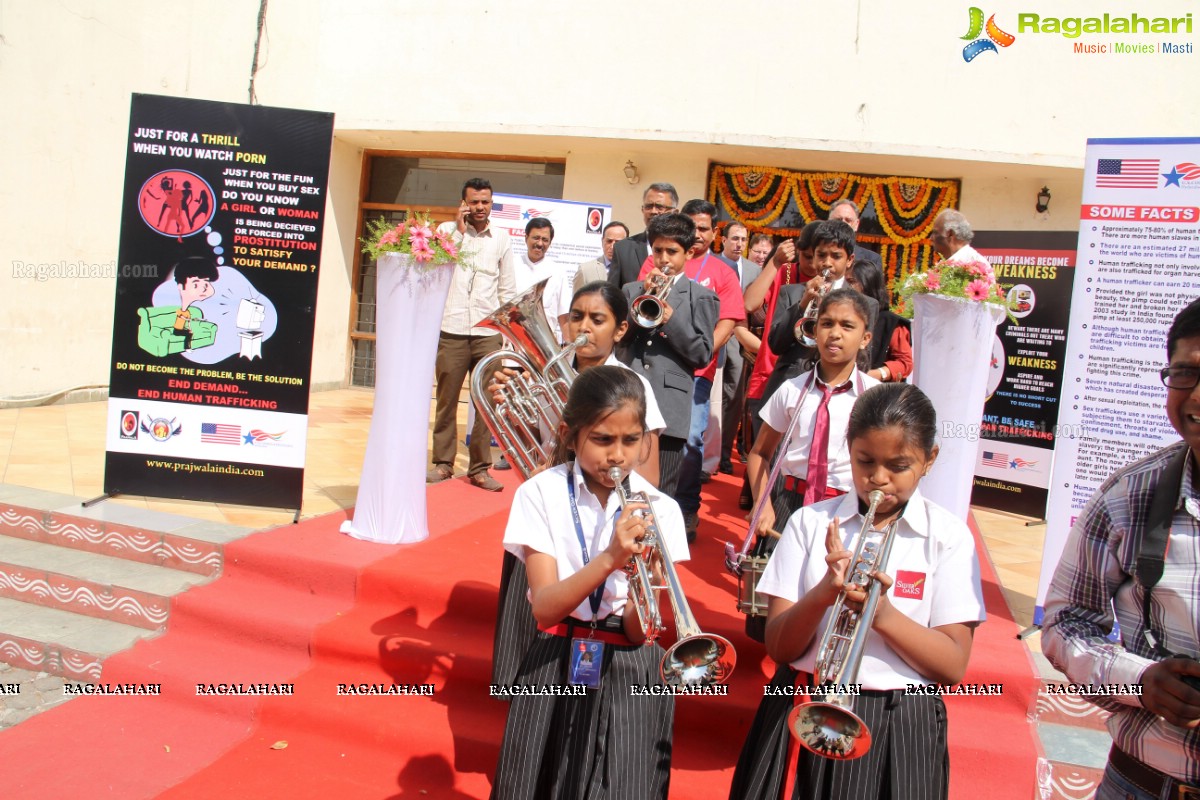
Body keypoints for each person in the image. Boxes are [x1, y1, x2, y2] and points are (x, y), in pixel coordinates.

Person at [729, 381, 985, 800]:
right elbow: (779, 646)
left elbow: (953, 665)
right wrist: (823, 594)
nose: (878, 479)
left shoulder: (948, 537)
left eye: (898, 466)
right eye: (865, 461)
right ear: (848, 449)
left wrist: (880, 614)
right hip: (802, 703)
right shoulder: (810, 523)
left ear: (930, 459)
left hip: (900, 719)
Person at [490, 365, 687, 800]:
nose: (617, 456)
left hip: (631, 666)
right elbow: (543, 608)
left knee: (623, 784)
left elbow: (640, 631)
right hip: (556, 656)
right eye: (602, 440)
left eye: (631, 441)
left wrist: (644, 585)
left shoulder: (663, 510)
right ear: (570, 433)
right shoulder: (539, 493)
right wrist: (610, 560)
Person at [1042, 298, 1200, 799]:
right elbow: (1064, 624)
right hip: (1144, 785)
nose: (1197, 395)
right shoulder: (1128, 498)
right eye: (1185, 374)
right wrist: (1141, 681)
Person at [488, 281, 667, 689]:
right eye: (576, 317)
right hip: (552, 519)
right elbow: (536, 447)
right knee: (535, 609)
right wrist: (509, 406)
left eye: (597, 319)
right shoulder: (549, 374)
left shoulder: (633, 388)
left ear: (620, 330)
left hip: (602, 519)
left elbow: (650, 476)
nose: (583, 327)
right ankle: (523, 685)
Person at [642, 200, 745, 539]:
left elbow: (722, 327)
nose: (663, 259)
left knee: (687, 443)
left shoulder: (716, 279)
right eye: (658, 251)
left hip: (691, 376)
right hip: (645, 378)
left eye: (704, 229)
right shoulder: (647, 270)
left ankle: (684, 507)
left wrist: (690, 346)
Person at [616, 212, 719, 500]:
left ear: (689, 253)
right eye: (658, 250)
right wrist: (642, 299)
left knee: (662, 493)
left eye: (672, 251)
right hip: (628, 395)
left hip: (670, 405)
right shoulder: (631, 290)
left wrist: (670, 320)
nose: (664, 258)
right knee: (620, 485)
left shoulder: (700, 296)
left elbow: (702, 354)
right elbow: (620, 338)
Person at [428, 177, 517, 492]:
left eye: (486, 202)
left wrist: (506, 337)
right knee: (447, 400)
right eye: (474, 202)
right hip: (450, 330)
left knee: (484, 403)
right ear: (463, 203)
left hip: (486, 333)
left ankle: (480, 468)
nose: (480, 208)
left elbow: (507, 290)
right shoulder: (445, 233)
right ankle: (443, 463)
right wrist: (459, 234)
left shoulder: (502, 239)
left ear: (491, 203)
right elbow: (435, 270)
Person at [718, 222, 763, 475]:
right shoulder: (713, 264)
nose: (739, 244)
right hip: (715, 336)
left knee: (734, 398)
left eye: (743, 240)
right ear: (723, 240)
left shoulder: (755, 270)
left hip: (740, 340)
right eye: (734, 238)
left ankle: (725, 454)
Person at [847, 260, 912, 383]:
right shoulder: (839, 317)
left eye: (851, 282)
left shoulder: (890, 322)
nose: (847, 287)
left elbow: (904, 363)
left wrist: (875, 375)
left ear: (868, 283)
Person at [608, 182, 679, 288]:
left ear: (674, 212)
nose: (653, 211)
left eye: (660, 207)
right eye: (649, 206)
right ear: (642, 209)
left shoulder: (683, 251)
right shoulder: (622, 249)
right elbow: (612, 294)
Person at [827, 198, 883, 274]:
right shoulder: (814, 253)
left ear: (857, 224)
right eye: (838, 219)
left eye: (848, 220)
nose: (843, 224)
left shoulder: (872, 260)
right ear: (829, 222)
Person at [572, 221, 629, 294]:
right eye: (609, 241)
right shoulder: (585, 270)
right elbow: (577, 302)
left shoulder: (633, 270)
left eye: (618, 242)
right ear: (602, 241)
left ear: (627, 244)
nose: (612, 247)